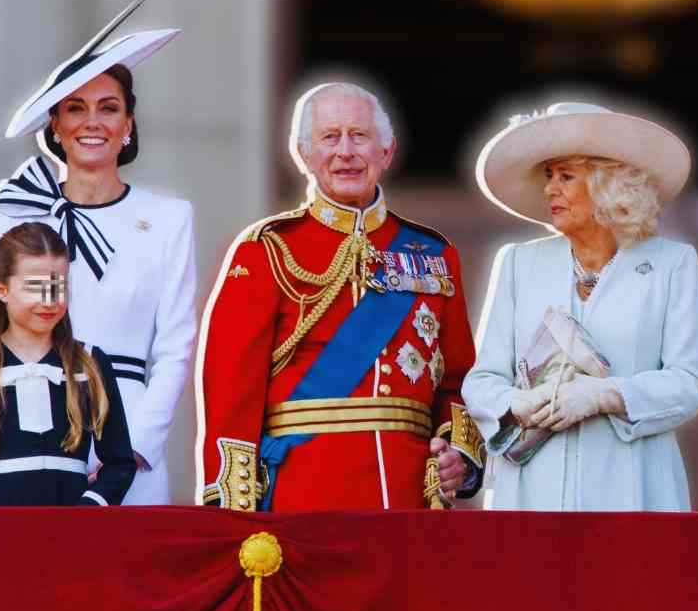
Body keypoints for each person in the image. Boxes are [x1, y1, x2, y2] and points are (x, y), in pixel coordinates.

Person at [199, 83, 484, 511]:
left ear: (387, 152)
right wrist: (234, 514)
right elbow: (230, 390)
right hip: (302, 496)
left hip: (409, 500)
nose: (346, 152)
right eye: (330, 137)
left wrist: (458, 455)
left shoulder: (434, 255)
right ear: (304, 154)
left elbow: (458, 381)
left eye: (360, 136)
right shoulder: (266, 249)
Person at [0, 0, 196, 505]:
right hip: (26, 420)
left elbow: (176, 344)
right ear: (56, 124)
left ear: (129, 125)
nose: (92, 121)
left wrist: (131, 449)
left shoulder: (168, 218)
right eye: (76, 107)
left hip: (130, 421)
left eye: (108, 107)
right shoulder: (14, 207)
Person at [463, 102, 698, 511]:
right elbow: (481, 380)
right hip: (530, 490)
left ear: (609, 184)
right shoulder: (518, 263)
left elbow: (688, 384)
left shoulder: (672, 263)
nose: (549, 188)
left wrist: (604, 395)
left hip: (634, 489)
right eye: (548, 176)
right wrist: (514, 404)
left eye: (566, 176)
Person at [0, 223, 135, 506]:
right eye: (34, 287)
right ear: (1, 290)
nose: (48, 301)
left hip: (74, 535)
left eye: (57, 286)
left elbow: (119, 462)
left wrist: (90, 507)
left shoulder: (91, 362)